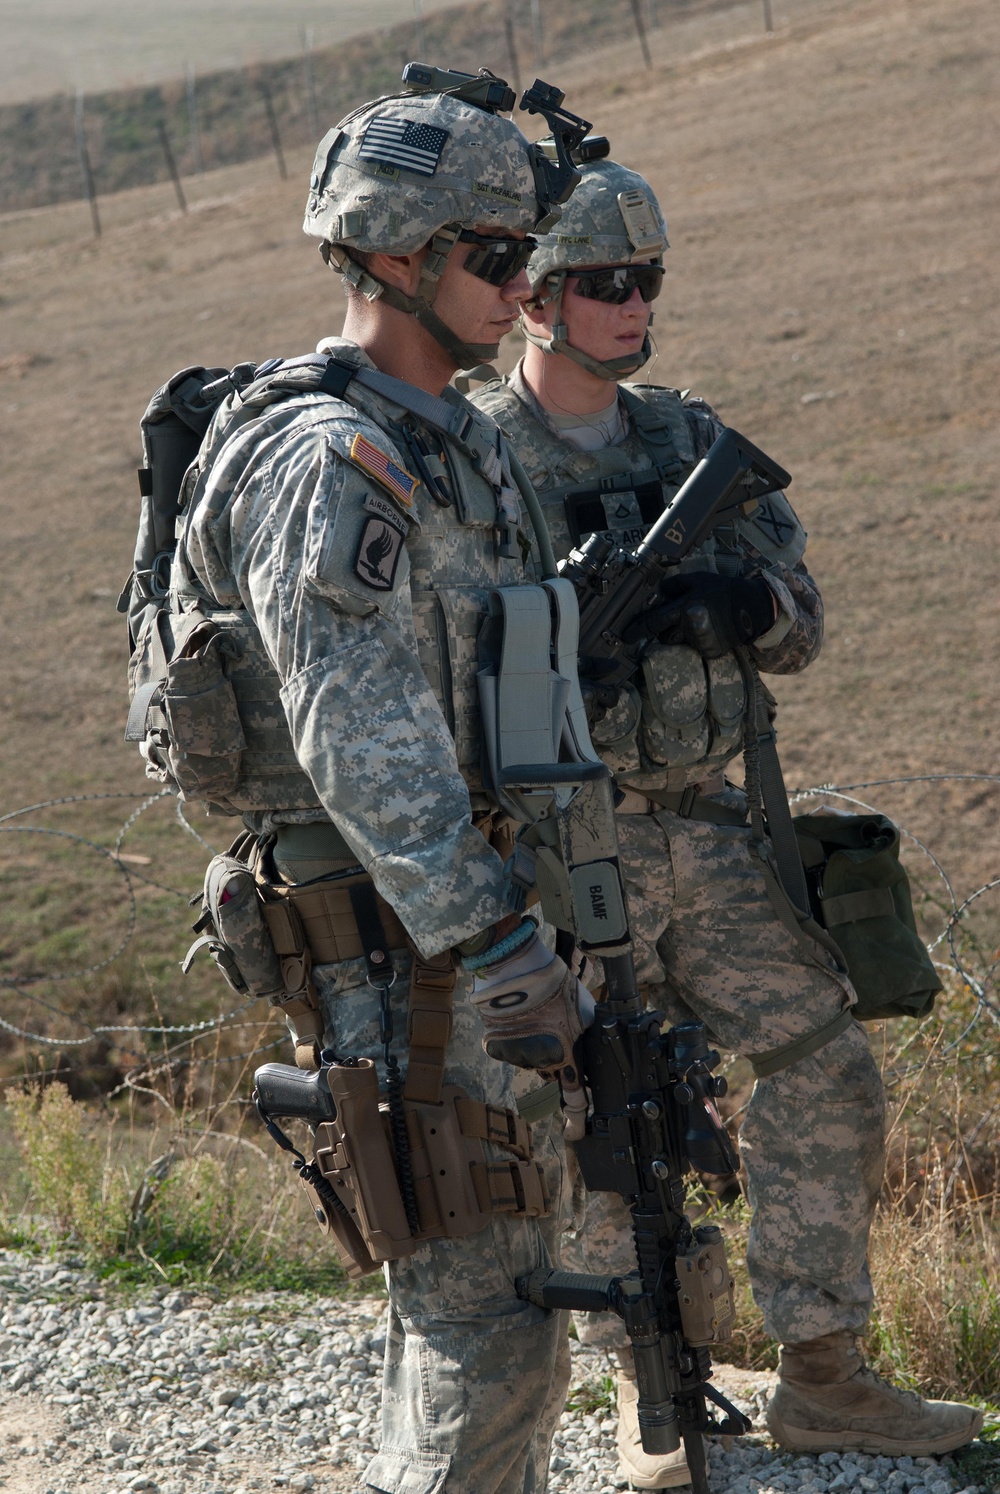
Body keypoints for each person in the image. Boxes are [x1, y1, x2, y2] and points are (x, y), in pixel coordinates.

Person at [470, 151, 983, 1487]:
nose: (631, 307)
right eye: (601, 285)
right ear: (533, 296)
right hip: (569, 846)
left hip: (707, 831)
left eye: (646, 281)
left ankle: (821, 1374)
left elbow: (802, 616)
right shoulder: (478, 463)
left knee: (825, 1064)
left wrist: (740, 608)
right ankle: (649, 1402)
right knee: (607, 1131)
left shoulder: (688, 443)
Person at [162, 70, 593, 1494]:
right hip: (408, 957)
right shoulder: (330, 457)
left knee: (490, 1316)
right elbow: (361, 733)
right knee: (489, 1330)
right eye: (495, 257)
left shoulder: (449, 439)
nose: (523, 285)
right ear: (396, 262)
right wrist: (496, 935)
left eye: (528, 253)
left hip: (460, 938)